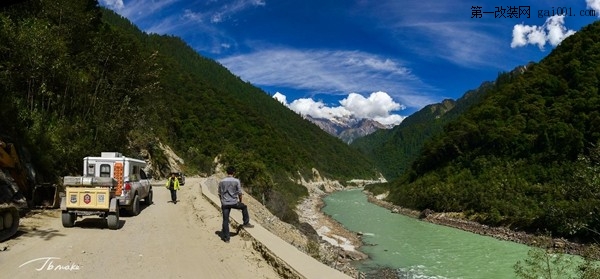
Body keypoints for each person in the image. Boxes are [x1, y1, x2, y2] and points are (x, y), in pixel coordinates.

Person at [218, 166, 253, 243]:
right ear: (233, 173)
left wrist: (222, 202)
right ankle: (246, 222)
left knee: (225, 220)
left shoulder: (222, 181)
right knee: (244, 207)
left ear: (227, 172)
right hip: (234, 202)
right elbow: (239, 193)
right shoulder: (236, 181)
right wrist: (240, 201)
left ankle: (227, 238)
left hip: (225, 203)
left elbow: (219, 193)